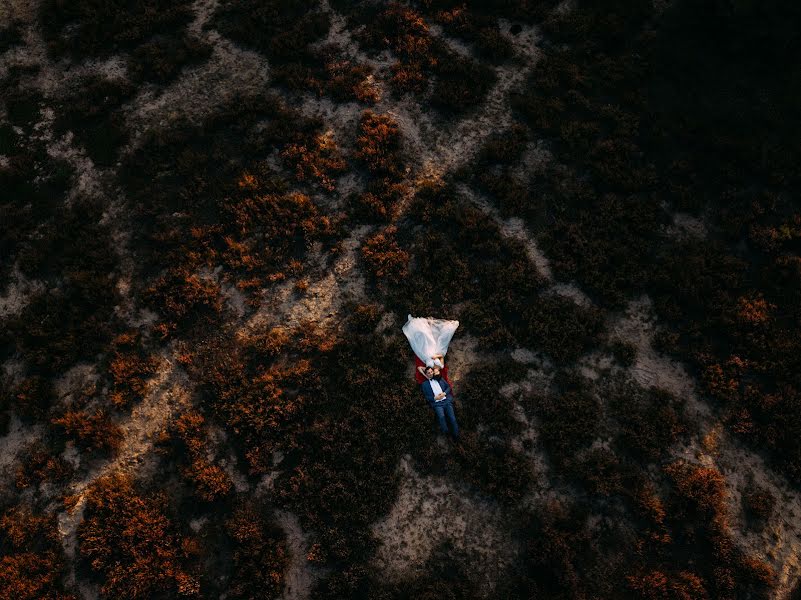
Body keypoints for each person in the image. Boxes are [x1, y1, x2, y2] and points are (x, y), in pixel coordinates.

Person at [420, 365, 459, 440]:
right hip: (437, 404)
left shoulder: (440, 378)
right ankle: (447, 434)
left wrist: (444, 393)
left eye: (431, 372)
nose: (431, 374)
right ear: (426, 374)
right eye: (428, 373)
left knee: (452, 418)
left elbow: (448, 387)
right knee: (442, 418)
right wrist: (434, 398)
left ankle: (456, 436)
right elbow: (426, 397)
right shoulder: (424, 384)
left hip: (446, 401)